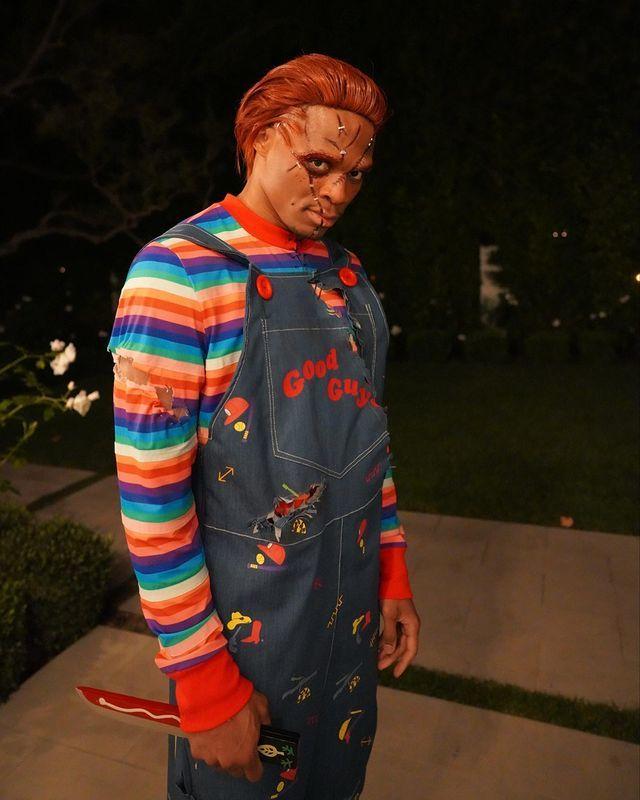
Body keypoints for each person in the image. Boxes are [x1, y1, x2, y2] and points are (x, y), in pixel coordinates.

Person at [108, 52, 420, 800]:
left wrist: (392, 571)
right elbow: (153, 506)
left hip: (347, 642)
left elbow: (369, 446)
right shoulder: (177, 276)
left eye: (356, 174)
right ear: (258, 139)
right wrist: (203, 682)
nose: (337, 193)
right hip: (247, 658)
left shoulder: (348, 278)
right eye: (318, 164)